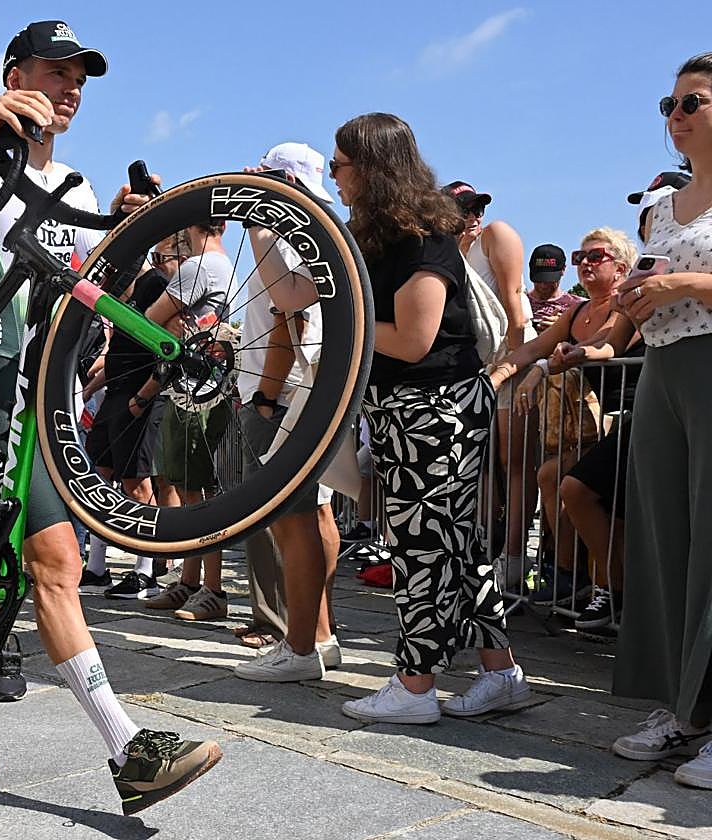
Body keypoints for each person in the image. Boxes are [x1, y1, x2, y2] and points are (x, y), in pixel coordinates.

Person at [0, 20, 220, 812]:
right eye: (55, 69)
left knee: (27, 567)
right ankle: (124, 747)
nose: (71, 86)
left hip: (47, 390)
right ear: (15, 73)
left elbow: (80, 287)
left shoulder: (72, 185)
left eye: (81, 77)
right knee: (48, 563)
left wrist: (124, 229)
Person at [329, 113, 530, 725]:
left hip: (434, 407)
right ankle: (501, 672)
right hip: (412, 408)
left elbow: (414, 338)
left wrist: (348, 323)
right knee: (458, 549)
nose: (334, 178)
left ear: (369, 167)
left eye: (339, 166)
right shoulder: (379, 238)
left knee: (421, 551)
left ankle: (415, 686)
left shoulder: (424, 237)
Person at [609, 52, 712, 791]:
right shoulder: (661, 207)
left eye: (693, 103)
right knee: (664, 538)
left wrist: (682, 281)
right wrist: (634, 297)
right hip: (662, 371)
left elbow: (681, 281)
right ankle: (686, 705)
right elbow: (647, 282)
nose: (675, 117)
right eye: (669, 105)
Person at [231, 143, 341, 680]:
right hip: (297, 388)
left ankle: (299, 647)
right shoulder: (307, 233)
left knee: (288, 519)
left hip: (281, 393)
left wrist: (266, 397)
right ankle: (320, 634)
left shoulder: (278, 236)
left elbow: (288, 319)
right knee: (315, 515)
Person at [491, 229, 639, 607]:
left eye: (595, 257)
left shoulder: (625, 303)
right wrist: (489, 381)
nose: (585, 264)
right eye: (580, 257)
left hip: (631, 419)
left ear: (621, 268)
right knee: (549, 476)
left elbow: (599, 346)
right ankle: (570, 575)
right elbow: (531, 349)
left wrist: (542, 369)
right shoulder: (577, 311)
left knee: (571, 486)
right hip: (604, 426)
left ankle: (607, 585)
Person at [134, 221, 236, 622]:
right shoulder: (225, 266)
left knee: (197, 491)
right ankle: (191, 582)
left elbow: (147, 318)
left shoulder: (198, 267)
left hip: (191, 389)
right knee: (190, 488)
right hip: (209, 386)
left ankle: (211, 588)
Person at [443, 180, 538, 589]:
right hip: (478, 370)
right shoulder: (447, 251)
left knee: (513, 464)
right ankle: (482, 554)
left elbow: (515, 306)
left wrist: (516, 371)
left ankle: (514, 562)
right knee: (480, 468)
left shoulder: (496, 235)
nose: (474, 216)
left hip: (512, 362)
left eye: (476, 207)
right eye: (465, 208)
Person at [82, 236, 171, 599]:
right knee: (98, 476)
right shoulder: (125, 292)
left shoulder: (155, 286)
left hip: (138, 395)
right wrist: (91, 388)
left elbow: (166, 344)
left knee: (137, 482)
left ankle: (145, 571)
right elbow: (119, 352)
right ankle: (97, 568)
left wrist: (143, 395)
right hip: (116, 393)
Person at [526, 244, 583, 332]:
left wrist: (565, 328)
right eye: (539, 279)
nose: (543, 285)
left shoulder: (579, 306)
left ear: (563, 270)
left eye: (549, 280)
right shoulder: (518, 304)